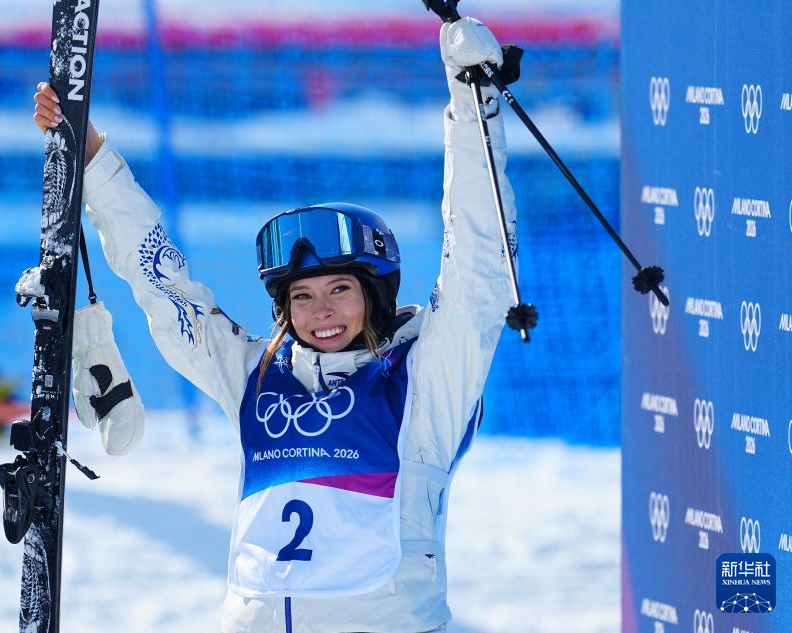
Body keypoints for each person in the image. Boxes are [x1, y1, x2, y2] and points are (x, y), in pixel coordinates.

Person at [34, 17, 517, 633]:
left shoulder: (425, 385)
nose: (321, 312)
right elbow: (161, 280)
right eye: (302, 297)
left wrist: (473, 104)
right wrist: (91, 155)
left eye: (340, 290)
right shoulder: (255, 376)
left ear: (375, 296)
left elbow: (479, 270)